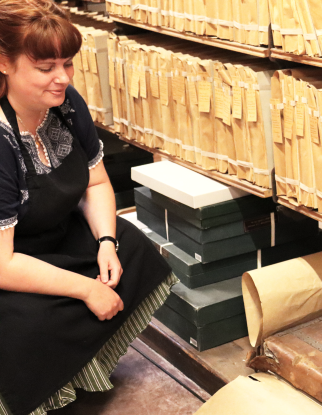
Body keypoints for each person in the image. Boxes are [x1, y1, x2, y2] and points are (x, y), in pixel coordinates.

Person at [0, 1, 176, 414]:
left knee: (134, 249)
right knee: (32, 324)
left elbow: (95, 181)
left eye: (68, 64)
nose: (61, 78)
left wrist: (107, 242)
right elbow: (3, 264)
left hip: (52, 233)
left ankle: (78, 372)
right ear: (3, 63)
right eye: (46, 68)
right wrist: (87, 288)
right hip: (12, 257)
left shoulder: (65, 102)